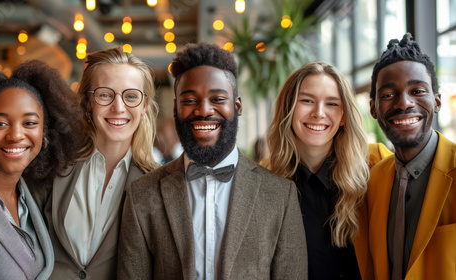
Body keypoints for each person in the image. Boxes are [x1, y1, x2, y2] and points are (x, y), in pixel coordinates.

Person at [118, 42, 307, 279]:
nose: (203, 110)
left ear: (236, 106)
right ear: (176, 107)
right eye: (189, 101)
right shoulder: (142, 195)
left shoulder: (281, 196)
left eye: (217, 99)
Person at [31, 46, 160, 280]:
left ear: (144, 105)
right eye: (104, 94)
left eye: (131, 96)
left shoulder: (158, 184)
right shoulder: (53, 166)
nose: (118, 107)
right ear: (88, 101)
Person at [0, 60, 83, 279]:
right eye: (0, 124)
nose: (15, 135)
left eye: (30, 123)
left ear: (45, 132)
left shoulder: (32, 197)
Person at [355, 33, 455, 280]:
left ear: (437, 101)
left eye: (418, 90)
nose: (403, 103)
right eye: (388, 95)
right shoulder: (372, 180)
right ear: (373, 109)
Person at [264, 61, 370, 279]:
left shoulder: (370, 178)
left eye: (332, 104)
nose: (318, 113)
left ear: (343, 117)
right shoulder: (263, 185)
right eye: (307, 100)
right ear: (289, 109)